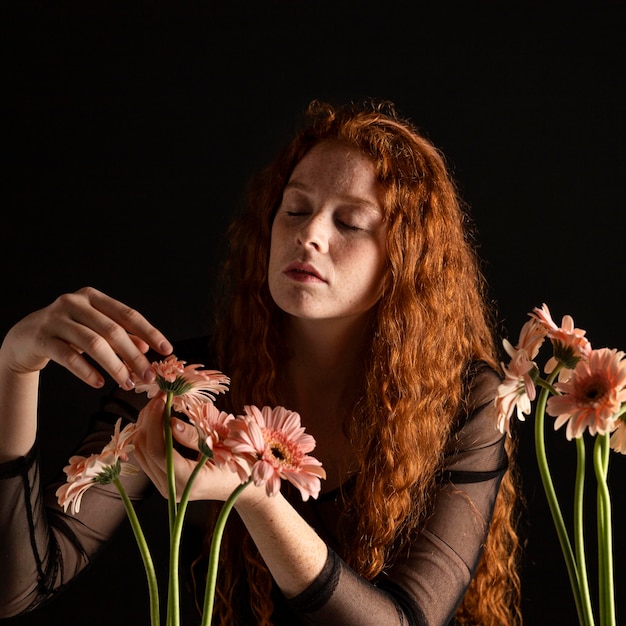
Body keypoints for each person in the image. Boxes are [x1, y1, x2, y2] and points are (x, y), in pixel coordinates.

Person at [0, 99, 522, 625]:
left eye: (351, 222)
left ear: (406, 262)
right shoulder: (186, 383)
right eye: (294, 209)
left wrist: (254, 496)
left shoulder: (465, 400)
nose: (309, 233)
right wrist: (14, 370)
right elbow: (17, 589)